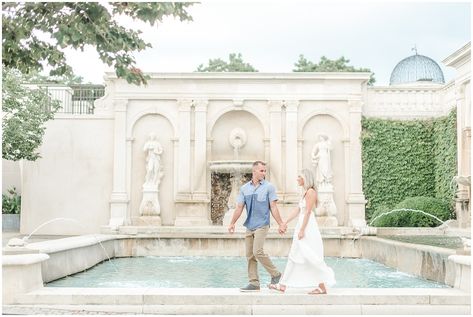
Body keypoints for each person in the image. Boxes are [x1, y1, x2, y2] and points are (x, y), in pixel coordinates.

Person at [269, 169, 336, 294]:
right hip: (303, 225)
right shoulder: (305, 192)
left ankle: (284, 285)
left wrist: (302, 230)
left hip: (307, 227)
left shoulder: (311, 192)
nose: (297, 179)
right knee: (302, 255)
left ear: (305, 178)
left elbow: (308, 212)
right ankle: (285, 284)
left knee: (307, 255)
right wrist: (284, 222)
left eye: (299, 177)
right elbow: (298, 210)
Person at [228, 160, 287, 292]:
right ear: (254, 171)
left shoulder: (269, 187)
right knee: (250, 255)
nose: (264, 173)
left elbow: (273, 207)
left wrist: (281, 223)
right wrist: (232, 223)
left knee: (257, 251)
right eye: (261, 170)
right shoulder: (244, 189)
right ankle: (254, 283)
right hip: (249, 226)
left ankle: (276, 274)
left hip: (262, 224)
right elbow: (239, 208)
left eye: (265, 171)